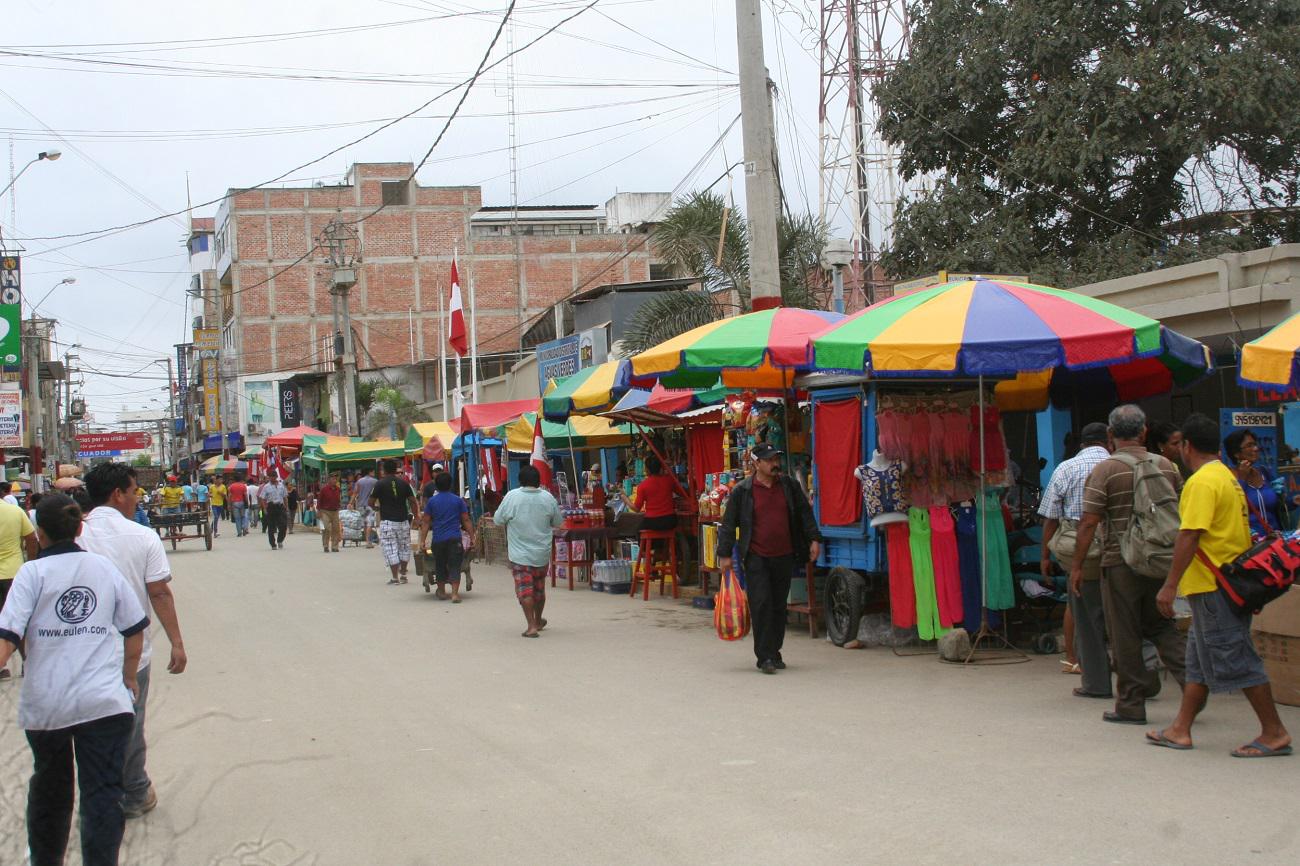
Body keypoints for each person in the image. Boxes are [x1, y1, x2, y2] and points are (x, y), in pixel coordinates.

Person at [0, 494, 150, 866]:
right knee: (102, 792)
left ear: (39, 531)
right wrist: (129, 677)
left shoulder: (30, 575)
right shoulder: (103, 568)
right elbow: (134, 629)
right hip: (104, 703)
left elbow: (7, 638)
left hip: (47, 705)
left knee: (51, 791)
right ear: (80, 528)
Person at [1147, 413, 1292, 757]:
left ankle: (1274, 732)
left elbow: (1190, 535)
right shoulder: (1225, 477)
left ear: (1186, 446)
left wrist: (1169, 586)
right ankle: (1180, 729)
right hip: (1226, 584)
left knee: (1236, 657)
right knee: (1198, 661)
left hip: (1215, 586)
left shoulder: (1200, 482)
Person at [79, 463, 187, 819]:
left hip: (80, 653)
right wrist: (176, 642)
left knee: (87, 725)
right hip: (131, 652)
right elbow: (159, 594)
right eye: (134, 490)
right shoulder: (143, 537)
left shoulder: (73, 535)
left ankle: (98, 793)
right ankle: (135, 791)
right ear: (117, 495)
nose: (137, 496)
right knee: (130, 722)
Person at [1072, 404, 1187, 724]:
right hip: (1161, 559)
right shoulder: (1165, 465)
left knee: (1124, 633)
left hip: (1120, 561)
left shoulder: (1106, 471)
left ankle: (1131, 704)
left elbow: (1088, 522)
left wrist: (1078, 566)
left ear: (1110, 435)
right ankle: (1194, 686)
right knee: (1162, 626)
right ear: (1144, 431)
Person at [717, 443, 822, 675]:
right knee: (761, 604)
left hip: (784, 555)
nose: (775, 464)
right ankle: (764, 656)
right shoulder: (742, 491)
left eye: (776, 459)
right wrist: (724, 555)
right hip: (756, 557)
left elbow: (805, 514)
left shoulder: (789, 486)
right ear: (756, 464)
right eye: (770, 460)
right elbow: (728, 524)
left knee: (777, 606)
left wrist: (814, 539)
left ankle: (775, 651)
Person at [1039, 422, 1113, 698]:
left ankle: (1085, 670)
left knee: (1081, 606)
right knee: (1123, 609)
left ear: (1082, 443)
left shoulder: (1066, 468)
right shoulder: (1120, 465)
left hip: (1079, 545)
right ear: (1108, 440)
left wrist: (1045, 555)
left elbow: (1050, 517)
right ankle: (1139, 676)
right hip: (1118, 542)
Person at [494, 464, 563, 638]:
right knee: (539, 589)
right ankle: (538, 620)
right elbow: (558, 522)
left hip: (519, 555)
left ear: (520, 481)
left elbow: (498, 519)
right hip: (542, 553)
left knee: (525, 590)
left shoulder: (512, 497)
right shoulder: (548, 498)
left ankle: (531, 625)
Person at [0, 490, 39, 681]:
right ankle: (27, 662)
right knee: (21, 620)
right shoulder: (15, 512)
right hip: (14, 574)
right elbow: (32, 538)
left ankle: (2, 666)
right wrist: (31, 563)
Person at [419, 471, 475, 602]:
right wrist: (472, 537)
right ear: (450, 485)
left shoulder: (432, 502)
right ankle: (455, 594)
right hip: (455, 538)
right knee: (455, 564)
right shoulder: (458, 501)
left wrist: (422, 540)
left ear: (436, 486)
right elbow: (466, 520)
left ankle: (442, 591)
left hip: (438, 539)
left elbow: (426, 522)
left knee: (440, 564)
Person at [1223, 429, 1285, 538]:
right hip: (1249, 545)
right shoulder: (1229, 477)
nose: (1256, 449)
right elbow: (1232, 509)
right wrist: (1242, 479)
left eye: (1255, 444)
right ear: (1236, 454)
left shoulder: (1264, 472)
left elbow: (1277, 507)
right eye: (1249, 445)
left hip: (1275, 541)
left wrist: (1292, 501)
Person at [370, 459, 418, 585]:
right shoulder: (404, 483)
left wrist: (377, 508)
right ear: (396, 469)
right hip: (403, 521)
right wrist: (417, 516)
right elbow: (413, 501)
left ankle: (395, 577)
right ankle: (403, 575)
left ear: (384, 470)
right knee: (404, 547)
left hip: (387, 521)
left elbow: (370, 502)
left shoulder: (379, 484)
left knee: (391, 549)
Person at [620, 455, 678, 531]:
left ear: (647, 470)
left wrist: (625, 499)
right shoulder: (669, 480)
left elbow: (637, 509)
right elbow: (681, 492)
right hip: (670, 520)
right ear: (660, 468)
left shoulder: (643, 486)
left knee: (638, 531)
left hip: (652, 521)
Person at [351, 467, 379, 549]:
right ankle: (368, 542)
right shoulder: (375, 481)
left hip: (360, 506)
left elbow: (355, 493)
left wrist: (350, 503)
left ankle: (366, 540)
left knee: (365, 524)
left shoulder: (359, 481)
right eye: (373, 471)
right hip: (370, 506)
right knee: (370, 523)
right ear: (370, 472)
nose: (374, 473)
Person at [260, 474, 289, 550]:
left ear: (276, 477)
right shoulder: (266, 487)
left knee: (283, 525)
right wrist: (265, 509)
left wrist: (286, 507)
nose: (271, 478)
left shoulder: (281, 485)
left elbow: (285, 497)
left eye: (273, 477)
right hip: (271, 507)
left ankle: (280, 540)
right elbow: (262, 498)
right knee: (271, 527)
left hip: (280, 506)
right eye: (270, 477)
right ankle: (273, 544)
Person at [316, 473, 342, 553]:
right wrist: (318, 511)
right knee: (327, 528)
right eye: (333, 479)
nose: (334, 480)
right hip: (325, 511)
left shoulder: (338, 489)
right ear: (329, 480)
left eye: (335, 479)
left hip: (335, 511)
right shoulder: (324, 489)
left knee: (336, 529)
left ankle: (335, 546)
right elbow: (319, 500)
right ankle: (325, 545)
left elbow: (339, 499)